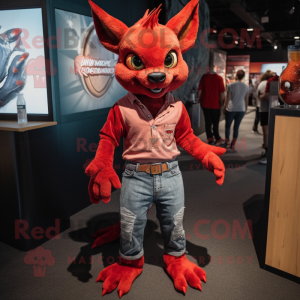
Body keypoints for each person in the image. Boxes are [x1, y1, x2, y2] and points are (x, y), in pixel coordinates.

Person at [223, 70, 249, 150]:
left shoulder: (231, 85)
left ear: (236, 76)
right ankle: (233, 144)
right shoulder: (246, 86)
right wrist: (245, 109)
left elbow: (228, 99)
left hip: (231, 109)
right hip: (241, 109)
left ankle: (227, 143)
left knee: (227, 127)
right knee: (236, 128)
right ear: (243, 76)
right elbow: (246, 100)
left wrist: (224, 107)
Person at [198, 70, 225, 145]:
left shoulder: (204, 77)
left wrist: (199, 100)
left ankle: (210, 139)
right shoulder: (219, 78)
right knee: (215, 123)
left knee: (208, 122)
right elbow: (221, 93)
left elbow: (200, 90)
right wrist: (222, 104)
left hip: (205, 104)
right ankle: (217, 137)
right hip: (215, 105)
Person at [258, 71, 277, 164]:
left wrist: (259, 96)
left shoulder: (263, 83)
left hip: (265, 110)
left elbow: (265, 96)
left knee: (266, 131)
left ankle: (267, 151)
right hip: (275, 109)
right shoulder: (277, 82)